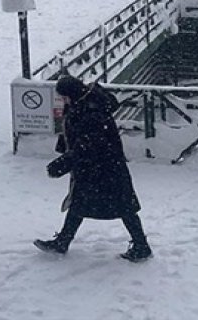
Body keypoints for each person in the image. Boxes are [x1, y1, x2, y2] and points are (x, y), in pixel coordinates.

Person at [35, 76, 151, 262]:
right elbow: (77, 134)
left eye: (63, 96)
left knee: (121, 207)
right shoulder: (83, 104)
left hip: (104, 167)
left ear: (71, 94)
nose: (62, 100)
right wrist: (65, 148)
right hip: (100, 167)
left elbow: (89, 144)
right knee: (87, 204)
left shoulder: (92, 112)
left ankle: (141, 246)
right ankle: (63, 242)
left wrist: (64, 162)